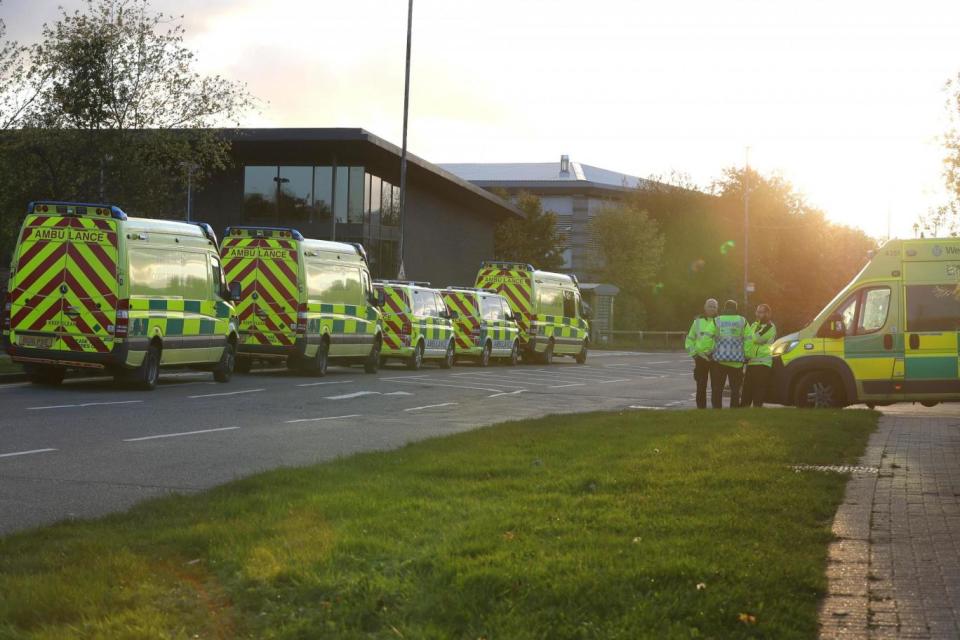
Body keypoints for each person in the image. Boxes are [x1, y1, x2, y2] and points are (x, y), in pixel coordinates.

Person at [711, 300, 747, 408]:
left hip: (720, 360)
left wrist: (708, 351)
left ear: (724, 308)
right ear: (736, 308)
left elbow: (708, 336)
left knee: (717, 388)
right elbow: (749, 338)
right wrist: (747, 354)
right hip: (737, 361)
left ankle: (717, 409)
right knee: (735, 389)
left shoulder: (717, 320)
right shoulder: (742, 321)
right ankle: (734, 409)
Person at [741, 304, 777, 408]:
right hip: (751, 362)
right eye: (757, 311)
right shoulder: (753, 325)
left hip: (763, 363)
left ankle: (757, 411)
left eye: (761, 312)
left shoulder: (770, 327)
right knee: (746, 390)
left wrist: (750, 338)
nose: (758, 314)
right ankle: (743, 410)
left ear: (768, 314)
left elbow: (754, 338)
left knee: (759, 391)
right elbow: (748, 338)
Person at [685, 298, 718, 409]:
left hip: (715, 359)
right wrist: (694, 355)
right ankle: (701, 409)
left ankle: (716, 408)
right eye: (709, 306)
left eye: (714, 306)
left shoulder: (720, 322)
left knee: (716, 386)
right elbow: (689, 340)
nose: (711, 308)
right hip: (700, 359)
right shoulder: (697, 322)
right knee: (701, 385)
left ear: (717, 309)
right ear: (704, 307)